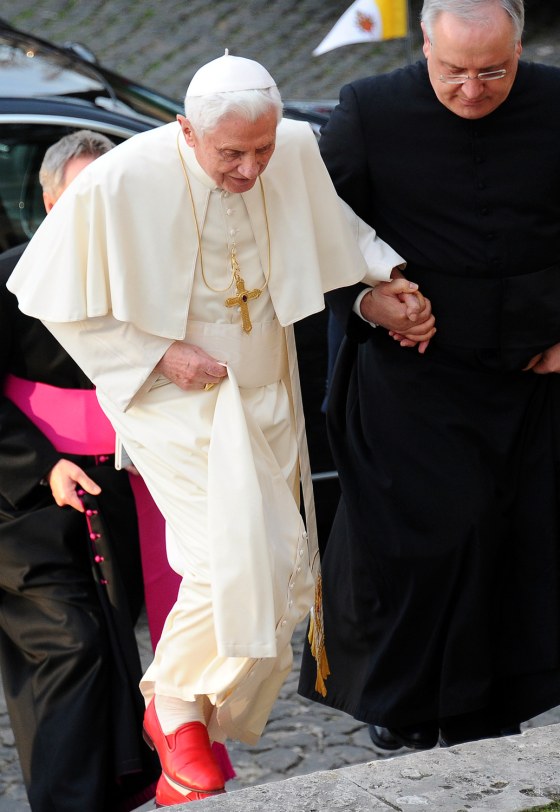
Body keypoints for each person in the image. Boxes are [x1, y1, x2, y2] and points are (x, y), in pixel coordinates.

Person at [6, 52, 435, 805]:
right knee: (221, 553)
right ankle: (173, 711)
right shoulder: (119, 178)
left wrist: (382, 284)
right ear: (184, 130)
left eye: (261, 149)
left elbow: (332, 230)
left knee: (281, 559)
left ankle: (187, 721)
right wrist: (156, 351)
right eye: (231, 153)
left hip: (261, 384)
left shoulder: (291, 150)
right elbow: (45, 292)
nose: (249, 168)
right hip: (170, 399)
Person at [298, 0, 560, 752]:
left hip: (530, 382)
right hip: (412, 386)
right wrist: (368, 300)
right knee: (422, 553)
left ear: (520, 45)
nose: (472, 90)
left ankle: (491, 721)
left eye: (493, 71)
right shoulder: (367, 111)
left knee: (515, 549)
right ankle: (405, 710)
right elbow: (314, 235)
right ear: (424, 44)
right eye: (453, 71)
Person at [0, 130, 162, 810]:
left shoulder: (145, 279)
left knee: (109, 648)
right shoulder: (6, 278)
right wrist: (43, 466)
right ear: (47, 200)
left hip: (114, 490)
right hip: (20, 501)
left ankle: (101, 793)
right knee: (70, 644)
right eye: (82, 195)